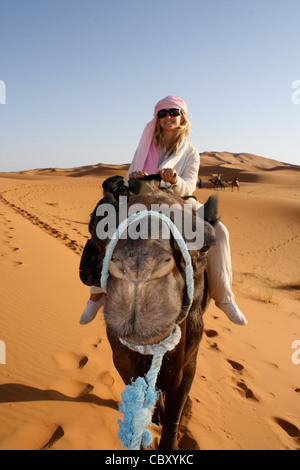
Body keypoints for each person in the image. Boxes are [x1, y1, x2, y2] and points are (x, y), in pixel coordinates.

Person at [79, 95, 247, 326]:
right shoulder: (145, 148)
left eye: (173, 112)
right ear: (157, 119)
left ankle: (224, 297)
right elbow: (130, 179)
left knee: (219, 230)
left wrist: (174, 180)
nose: (168, 117)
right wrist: (135, 177)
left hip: (178, 200)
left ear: (182, 117)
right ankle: (96, 295)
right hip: (142, 198)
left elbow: (189, 185)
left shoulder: (191, 152)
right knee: (105, 225)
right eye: (162, 113)